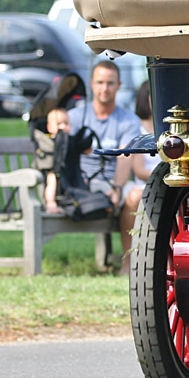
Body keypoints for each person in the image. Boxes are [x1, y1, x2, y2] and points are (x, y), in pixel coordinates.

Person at [70, 60, 141, 255]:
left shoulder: (128, 120)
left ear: (119, 86)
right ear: (92, 84)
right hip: (81, 182)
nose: (105, 88)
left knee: (135, 196)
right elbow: (64, 155)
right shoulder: (74, 117)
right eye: (100, 82)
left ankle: (129, 263)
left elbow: (125, 156)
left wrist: (117, 187)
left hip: (113, 181)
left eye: (110, 83)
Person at [115, 82, 161, 271]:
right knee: (133, 198)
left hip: (173, 184)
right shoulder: (136, 129)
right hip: (147, 183)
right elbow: (140, 170)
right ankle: (129, 261)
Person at [42, 108, 71, 215]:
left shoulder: (70, 141)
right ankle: (50, 202)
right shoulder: (49, 142)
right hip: (54, 172)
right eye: (58, 124)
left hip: (68, 176)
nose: (63, 127)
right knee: (52, 177)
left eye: (66, 123)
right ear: (49, 127)